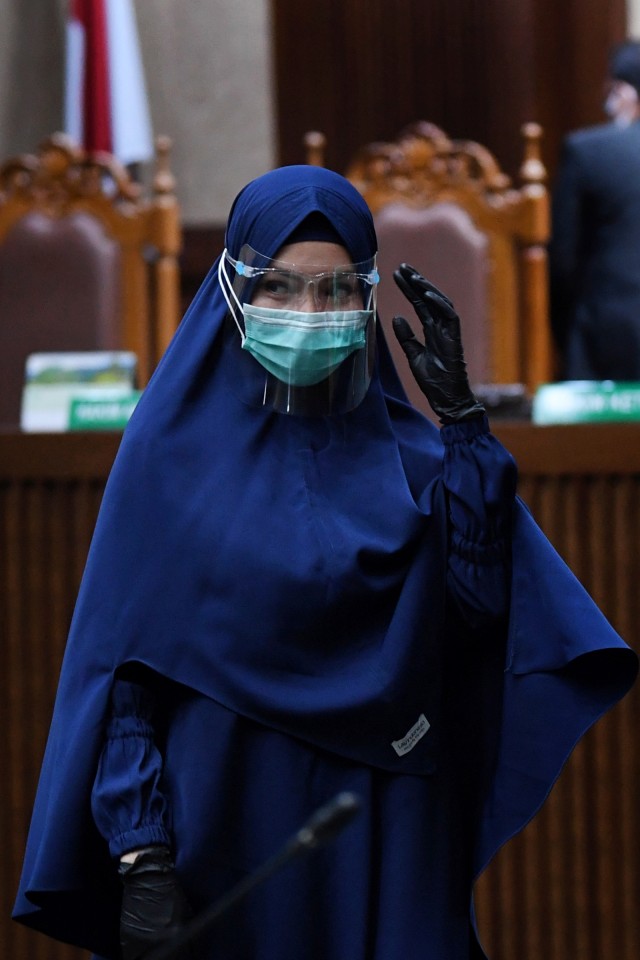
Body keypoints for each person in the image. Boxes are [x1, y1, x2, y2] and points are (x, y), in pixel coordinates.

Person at [13, 164, 637, 960]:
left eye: (339, 292)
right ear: (233, 293)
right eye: (279, 289)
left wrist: (464, 426)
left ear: (369, 297)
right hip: (225, 817)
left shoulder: (415, 454)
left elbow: (481, 614)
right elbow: (125, 678)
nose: (310, 313)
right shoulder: (167, 457)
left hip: (385, 814)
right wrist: (142, 855)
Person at [549, 39, 640, 379]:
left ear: (622, 91)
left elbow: (563, 264)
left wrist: (562, 340)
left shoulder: (588, 151)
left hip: (605, 344)